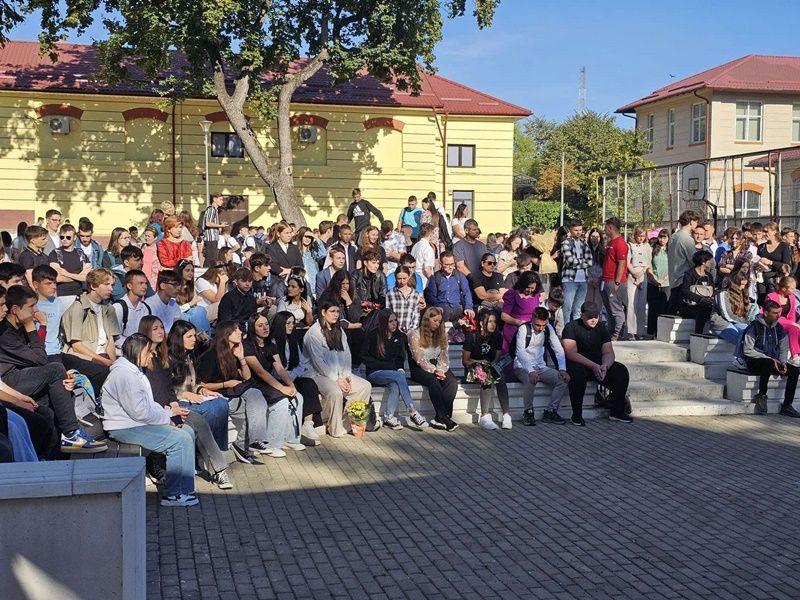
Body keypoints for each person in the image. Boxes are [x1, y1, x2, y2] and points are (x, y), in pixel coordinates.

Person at [0, 284, 107, 453]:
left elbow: (36, 356)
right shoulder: (6, 334)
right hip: (8, 382)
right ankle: (72, 433)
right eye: (31, 306)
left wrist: (64, 376)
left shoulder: (16, 327)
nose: (36, 310)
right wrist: (32, 326)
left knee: (50, 407)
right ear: (15, 310)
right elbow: (40, 359)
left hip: (20, 376)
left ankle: (54, 453)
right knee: (56, 369)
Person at [102, 334, 199, 506]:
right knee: (179, 439)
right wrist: (166, 419)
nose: (151, 355)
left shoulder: (135, 371)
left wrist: (169, 413)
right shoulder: (125, 375)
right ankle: (174, 494)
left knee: (188, 431)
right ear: (137, 352)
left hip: (135, 423)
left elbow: (148, 405)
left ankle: (185, 488)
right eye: (148, 351)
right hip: (124, 427)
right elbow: (139, 413)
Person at [139, 316, 233, 489]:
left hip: (170, 405)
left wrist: (176, 403)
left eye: (162, 327)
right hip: (154, 408)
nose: (161, 331)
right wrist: (174, 403)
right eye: (155, 328)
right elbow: (150, 390)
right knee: (199, 419)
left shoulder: (162, 355)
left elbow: (168, 388)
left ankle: (218, 469)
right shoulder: (143, 358)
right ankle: (207, 467)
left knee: (211, 411)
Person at [196, 321, 271, 463]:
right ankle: (244, 445)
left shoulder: (234, 351)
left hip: (235, 391)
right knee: (252, 407)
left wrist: (241, 358)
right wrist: (226, 384)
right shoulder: (211, 355)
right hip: (219, 396)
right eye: (235, 330)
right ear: (226, 334)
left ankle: (252, 441)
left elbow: (246, 377)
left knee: (256, 397)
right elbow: (202, 385)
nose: (240, 332)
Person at [303, 300, 373, 437]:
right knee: (335, 392)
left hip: (340, 373)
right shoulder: (313, 333)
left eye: (337, 311)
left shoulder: (339, 330)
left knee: (365, 386)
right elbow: (318, 363)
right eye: (332, 311)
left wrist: (346, 375)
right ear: (323, 312)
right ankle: (335, 429)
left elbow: (347, 354)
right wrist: (337, 380)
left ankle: (350, 425)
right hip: (317, 374)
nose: (336, 314)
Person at [243, 311, 305, 456]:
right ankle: (272, 443)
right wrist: (282, 388)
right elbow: (260, 372)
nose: (265, 328)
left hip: (268, 382)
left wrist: (291, 385)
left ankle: (291, 439)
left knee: (298, 397)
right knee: (281, 401)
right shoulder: (247, 346)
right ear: (252, 328)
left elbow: (280, 368)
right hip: (253, 384)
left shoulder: (270, 345)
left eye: (266, 324)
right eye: (260, 325)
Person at [562, 302, 633, 426]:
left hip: (598, 364)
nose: (593, 319)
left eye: (596, 316)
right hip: (579, 363)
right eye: (590, 317)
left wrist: (605, 366)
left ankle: (617, 411)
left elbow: (608, 352)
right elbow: (571, 353)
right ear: (582, 316)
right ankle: (576, 415)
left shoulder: (601, 327)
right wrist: (593, 366)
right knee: (577, 375)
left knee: (621, 371)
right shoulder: (571, 327)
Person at [166, 320, 231, 454]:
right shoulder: (168, 359)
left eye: (194, 336)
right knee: (208, 409)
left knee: (222, 403)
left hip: (193, 396)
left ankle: (219, 449)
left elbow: (194, 382)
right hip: (177, 401)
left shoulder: (189, 356)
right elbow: (166, 388)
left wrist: (203, 390)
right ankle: (205, 452)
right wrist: (184, 394)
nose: (194, 339)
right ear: (178, 338)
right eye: (189, 336)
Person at [362, 309, 427, 430]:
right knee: (399, 376)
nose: (394, 323)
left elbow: (400, 358)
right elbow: (364, 357)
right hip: (374, 372)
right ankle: (412, 411)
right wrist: (389, 367)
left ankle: (389, 417)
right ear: (383, 323)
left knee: (395, 385)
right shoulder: (373, 335)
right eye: (390, 321)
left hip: (392, 373)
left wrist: (399, 368)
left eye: (395, 320)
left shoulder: (399, 336)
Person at [736, 299, 799, 417]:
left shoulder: (779, 328)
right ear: (765, 313)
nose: (778, 316)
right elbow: (748, 350)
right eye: (775, 313)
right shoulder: (754, 327)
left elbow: (783, 348)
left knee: (795, 370)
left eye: (779, 313)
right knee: (767, 363)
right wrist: (769, 359)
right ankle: (761, 395)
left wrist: (783, 362)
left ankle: (787, 405)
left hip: (774, 361)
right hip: (755, 361)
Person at [60, 268, 119, 391]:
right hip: (84, 356)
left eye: (112, 285)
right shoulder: (78, 308)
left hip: (103, 355)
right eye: (106, 284)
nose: (111, 289)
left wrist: (114, 363)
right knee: (102, 372)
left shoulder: (109, 309)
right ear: (93, 286)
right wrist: (104, 361)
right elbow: (77, 346)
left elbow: (110, 341)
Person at [269, 311, 323, 445]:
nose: (291, 326)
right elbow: (275, 369)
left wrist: (292, 376)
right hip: (277, 379)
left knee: (309, 384)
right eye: (288, 323)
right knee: (298, 392)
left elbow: (301, 363)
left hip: (292, 376)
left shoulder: (293, 341)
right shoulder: (272, 343)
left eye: (293, 323)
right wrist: (287, 378)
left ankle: (308, 423)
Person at [513, 306, 569, 426]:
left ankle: (550, 411)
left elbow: (558, 349)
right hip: (522, 366)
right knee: (530, 380)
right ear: (532, 319)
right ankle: (528, 412)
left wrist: (562, 369)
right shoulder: (523, 329)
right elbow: (520, 352)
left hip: (540, 367)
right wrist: (530, 371)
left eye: (543, 325)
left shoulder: (548, 328)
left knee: (562, 380)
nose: (541, 328)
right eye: (538, 325)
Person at [407, 307, 459, 431]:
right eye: (435, 320)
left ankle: (440, 418)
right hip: (419, 367)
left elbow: (444, 356)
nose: (437, 324)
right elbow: (419, 358)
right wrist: (434, 371)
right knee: (433, 381)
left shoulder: (442, 335)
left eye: (439, 321)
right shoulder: (414, 334)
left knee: (452, 382)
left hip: (437, 364)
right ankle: (445, 418)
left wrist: (441, 369)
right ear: (427, 320)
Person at [463, 309, 511, 431]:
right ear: (481, 323)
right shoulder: (472, 336)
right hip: (472, 367)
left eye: (494, 321)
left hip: (489, 366)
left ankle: (506, 415)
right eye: (489, 321)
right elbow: (465, 361)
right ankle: (485, 416)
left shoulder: (498, 336)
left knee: (498, 375)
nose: (493, 324)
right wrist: (479, 363)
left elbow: (496, 359)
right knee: (488, 375)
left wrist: (488, 365)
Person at [48, 223, 91, 310]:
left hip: (80, 294)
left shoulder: (81, 253)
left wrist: (67, 274)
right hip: (62, 295)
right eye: (62, 237)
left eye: (68, 237)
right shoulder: (55, 253)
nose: (64, 239)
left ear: (74, 237)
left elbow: (87, 277)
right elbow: (57, 278)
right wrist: (79, 275)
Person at [500, 270, 542, 356]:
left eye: (532, 288)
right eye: (528, 287)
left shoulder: (536, 295)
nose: (530, 290)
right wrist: (519, 322)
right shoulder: (513, 295)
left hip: (532, 330)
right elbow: (504, 316)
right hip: (514, 330)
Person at [601, 217, 629, 341]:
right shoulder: (610, 242)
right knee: (609, 309)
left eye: (606, 227)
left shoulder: (620, 243)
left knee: (616, 309)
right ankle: (611, 331)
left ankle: (618, 333)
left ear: (611, 228)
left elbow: (622, 263)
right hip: (606, 280)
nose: (604, 230)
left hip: (614, 281)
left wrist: (617, 282)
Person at [667, 210, 700, 313]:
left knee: (671, 312)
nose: (697, 224)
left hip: (673, 279)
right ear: (691, 222)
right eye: (696, 221)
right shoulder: (687, 239)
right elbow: (694, 260)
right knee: (684, 315)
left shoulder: (673, 237)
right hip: (683, 280)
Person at [560, 220, 592, 323]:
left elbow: (590, 262)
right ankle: (566, 328)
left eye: (580, 230)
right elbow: (570, 261)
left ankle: (576, 329)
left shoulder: (584, 243)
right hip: (569, 279)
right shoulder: (566, 243)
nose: (578, 232)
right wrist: (583, 262)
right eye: (576, 230)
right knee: (567, 307)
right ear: (571, 230)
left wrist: (577, 262)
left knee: (578, 308)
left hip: (583, 280)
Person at [766, 276, 800, 366]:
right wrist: (792, 324)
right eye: (792, 288)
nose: (794, 290)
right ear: (784, 288)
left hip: (787, 323)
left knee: (796, 328)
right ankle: (795, 356)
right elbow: (771, 315)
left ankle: (795, 354)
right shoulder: (771, 296)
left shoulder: (792, 297)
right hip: (774, 321)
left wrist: (792, 323)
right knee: (794, 328)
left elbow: (792, 315)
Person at [113, 269, 152, 348]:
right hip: (122, 351)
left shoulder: (146, 308)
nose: (144, 286)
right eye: (140, 283)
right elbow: (116, 338)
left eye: (146, 283)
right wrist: (134, 346)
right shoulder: (118, 307)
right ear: (129, 286)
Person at [710, 271, 752, 346]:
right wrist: (743, 321)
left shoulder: (741, 294)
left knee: (750, 335)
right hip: (721, 324)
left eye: (744, 285)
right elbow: (727, 315)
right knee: (741, 340)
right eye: (741, 284)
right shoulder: (722, 294)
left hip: (736, 322)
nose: (743, 287)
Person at [32, 265, 64, 358]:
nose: (53, 286)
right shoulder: (31, 305)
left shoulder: (58, 302)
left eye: (55, 283)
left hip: (57, 351)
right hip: (40, 353)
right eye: (48, 283)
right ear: (36, 285)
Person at [626, 226, 652, 340]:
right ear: (635, 235)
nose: (641, 238)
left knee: (641, 304)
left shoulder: (647, 246)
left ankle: (640, 330)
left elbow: (649, 262)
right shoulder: (629, 246)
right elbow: (627, 261)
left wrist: (642, 272)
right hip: (632, 273)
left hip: (643, 273)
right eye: (639, 236)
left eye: (643, 236)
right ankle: (630, 330)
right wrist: (633, 272)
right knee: (631, 303)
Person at [680, 251, 714, 335]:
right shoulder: (689, 274)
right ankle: (698, 334)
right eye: (709, 260)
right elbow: (685, 291)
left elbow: (713, 290)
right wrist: (700, 299)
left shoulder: (709, 276)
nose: (711, 262)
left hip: (707, 304)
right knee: (703, 309)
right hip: (691, 306)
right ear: (703, 262)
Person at [757, 222, 792, 298]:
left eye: (766, 231)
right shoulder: (761, 247)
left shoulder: (783, 246)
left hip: (776, 280)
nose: (764, 234)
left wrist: (770, 262)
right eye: (763, 231)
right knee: (761, 301)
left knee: (773, 301)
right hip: (762, 279)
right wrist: (758, 264)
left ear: (774, 232)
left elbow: (787, 266)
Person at [217, 267, 257, 331]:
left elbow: (253, 318)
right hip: (230, 330)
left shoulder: (251, 298)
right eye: (243, 281)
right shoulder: (228, 298)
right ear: (236, 281)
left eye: (250, 281)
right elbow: (225, 321)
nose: (247, 284)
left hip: (247, 330)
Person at [386, 266, 424, 334]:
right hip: (394, 331)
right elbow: (388, 313)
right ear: (395, 277)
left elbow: (416, 315)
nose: (402, 281)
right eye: (399, 279)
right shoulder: (390, 293)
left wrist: (411, 330)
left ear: (409, 277)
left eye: (404, 278)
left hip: (410, 332)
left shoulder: (415, 294)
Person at [647, 229, 670, 336]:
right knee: (653, 308)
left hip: (666, 283)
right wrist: (654, 279)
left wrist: (664, 279)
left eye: (664, 237)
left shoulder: (670, 251)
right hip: (653, 282)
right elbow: (649, 265)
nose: (662, 240)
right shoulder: (653, 249)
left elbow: (673, 266)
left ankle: (662, 332)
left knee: (664, 308)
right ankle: (651, 332)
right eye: (660, 237)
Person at [295, 226, 324, 298]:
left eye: (310, 237)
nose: (307, 239)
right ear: (301, 236)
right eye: (305, 236)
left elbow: (323, 254)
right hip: (300, 286)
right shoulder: (295, 250)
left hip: (313, 286)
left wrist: (315, 237)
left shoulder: (313, 252)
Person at [201, 193, 227, 267]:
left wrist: (219, 225)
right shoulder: (211, 209)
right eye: (220, 199)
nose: (222, 201)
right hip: (210, 238)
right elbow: (208, 223)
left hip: (213, 238)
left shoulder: (214, 210)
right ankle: (205, 272)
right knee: (210, 259)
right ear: (214, 199)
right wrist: (220, 226)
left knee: (212, 259)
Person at [140, 226, 161, 290]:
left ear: (155, 238)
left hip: (152, 281)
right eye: (146, 236)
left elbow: (157, 270)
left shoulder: (158, 250)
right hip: (141, 278)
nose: (146, 238)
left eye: (149, 236)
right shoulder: (142, 247)